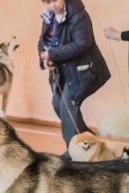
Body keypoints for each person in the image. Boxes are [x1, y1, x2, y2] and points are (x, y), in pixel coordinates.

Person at [38, 0, 111, 158]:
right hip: (64, 71)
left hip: (84, 71)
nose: (52, 5)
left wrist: (53, 54)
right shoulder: (48, 17)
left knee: (67, 105)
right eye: (47, 2)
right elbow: (42, 43)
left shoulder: (79, 15)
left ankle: (73, 152)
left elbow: (83, 43)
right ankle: (89, 141)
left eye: (54, 0)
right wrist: (44, 59)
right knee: (57, 102)